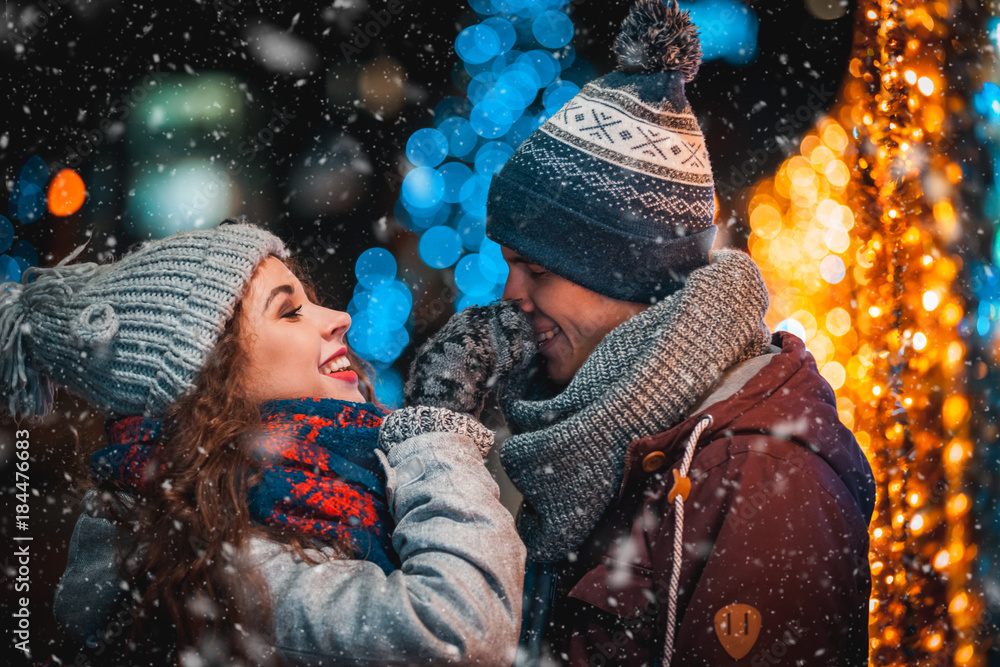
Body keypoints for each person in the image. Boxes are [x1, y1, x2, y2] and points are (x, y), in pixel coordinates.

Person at [404, 1, 876, 665]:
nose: (511, 295)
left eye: (537, 270)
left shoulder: (759, 479)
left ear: (632, 280)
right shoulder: (581, 436)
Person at [0, 220, 526, 666]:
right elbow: (461, 629)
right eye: (289, 311)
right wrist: (436, 433)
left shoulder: (323, 479)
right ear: (209, 379)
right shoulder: (230, 561)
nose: (338, 317)